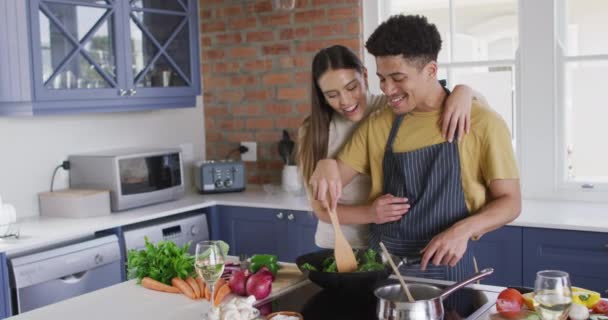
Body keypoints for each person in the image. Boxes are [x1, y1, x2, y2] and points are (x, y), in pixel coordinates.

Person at [309, 15, 521, 281]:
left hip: (449, 273)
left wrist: (463, 230)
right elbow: (322, 199)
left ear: (431, 71)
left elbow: (511, 202)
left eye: (397, 78)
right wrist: (325, 164)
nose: (387, 89)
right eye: (382, 78)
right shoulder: (378, 125)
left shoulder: (482, 123)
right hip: (383, 275)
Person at [298, 44, 486, 250]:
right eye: (332, 95)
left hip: (384, 243)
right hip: (336, 245)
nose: (345, 101)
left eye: (352, 87)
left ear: (365, 75)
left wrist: (463, 91)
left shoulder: (389, 108)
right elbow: (319, 207)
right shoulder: (312, 131)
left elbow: (440, 97)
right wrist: (369, 213)